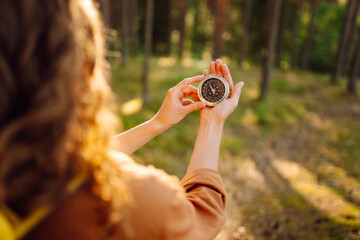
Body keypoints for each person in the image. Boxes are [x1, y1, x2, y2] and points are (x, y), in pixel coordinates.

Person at [0, 0, 244, 239]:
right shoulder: (137, 204)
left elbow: (75, 158)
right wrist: (212, 123)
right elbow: (200, 219)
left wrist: (158, 123)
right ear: (81, 69)